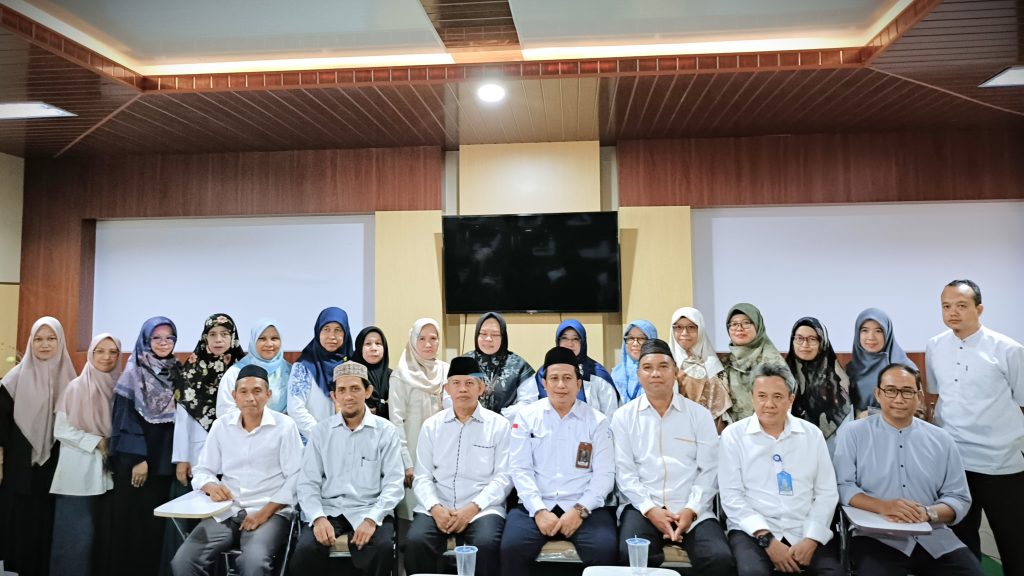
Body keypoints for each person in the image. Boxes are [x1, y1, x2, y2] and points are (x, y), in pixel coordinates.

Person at [833, 363, 981, 576]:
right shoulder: (853, 433)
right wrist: (883, 506)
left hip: (934, 537)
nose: (899, 399)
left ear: (919, 396)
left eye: (907, 391)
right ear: (878, 394)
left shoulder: (942, 439)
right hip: (876, 537)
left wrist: (927, 513)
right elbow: (843, 485)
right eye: (891, 391)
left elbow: (958, 497)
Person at [611, 339, 735, 574]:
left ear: (675, 372)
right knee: (630, 556)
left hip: (692, 508)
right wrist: (650, 509)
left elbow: (709, 470)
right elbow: (625, 473)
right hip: (644, 509)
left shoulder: (699, 415)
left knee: (720, 558)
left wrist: (692, 508)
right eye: (647, 367)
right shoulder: (623, 417)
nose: (655, 373)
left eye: (663, 366)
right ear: (639, 374)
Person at [926, 279, 1024, 574]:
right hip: (955, 464)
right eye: (946, 306)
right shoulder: (934, 346)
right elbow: (936, 398)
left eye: (961, 306)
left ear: (979, 309)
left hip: (1002, 464)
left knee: (1015, 544)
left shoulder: (1008, 349)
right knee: (961, 548)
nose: (952, 312)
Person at [171, 365, 303, 576]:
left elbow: (296, 476)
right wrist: (211, 486)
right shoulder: (221, 426)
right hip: (228, 510)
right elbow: (203, 469)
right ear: (234, 396)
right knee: (184, 561)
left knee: (253, 564)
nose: (250, 398)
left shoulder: (285, 426)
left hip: (270, 512)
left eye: (257, 391)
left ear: (269, 395)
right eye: (244, 392)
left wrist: (264, 513)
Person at [501, 346, 617, 574]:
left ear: (578, 383)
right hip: (535, 505)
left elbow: (605, 476)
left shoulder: (598, 421)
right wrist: (538, 510)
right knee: (510, 548)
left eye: (567, 378)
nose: (561, 385)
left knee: (606, 548)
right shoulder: (526, 417)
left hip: (585, 507)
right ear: (544, 383)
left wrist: (580, 510)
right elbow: (520, 469)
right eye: (554, 378)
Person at [718, 363, 842, 576]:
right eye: (762, 396)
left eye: (777, 396)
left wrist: (811, 539)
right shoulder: (733, 436)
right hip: (753, 532)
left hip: (803, 528)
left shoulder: (812, 435)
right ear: (752, 398)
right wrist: (767, 540)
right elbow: (732, 497)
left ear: (790, 400)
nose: (769, 404)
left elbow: (827, 494)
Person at [291, 362, 404, 576]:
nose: (348, 396)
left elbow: (394, 484)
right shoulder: (321, 432)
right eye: (341, 390)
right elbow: (307, 483)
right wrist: (317, 518)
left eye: (355, 389)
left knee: (381, 549)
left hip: (370, 508)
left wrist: (372, 519)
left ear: (368, 391)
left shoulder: (385, 431)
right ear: (334, 396)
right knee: (305, 550)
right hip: (329, 510)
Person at [405, 356, 512, 576]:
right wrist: (435, 508)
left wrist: (472, 508)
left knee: (486, 544)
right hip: (438, 505)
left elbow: (504, 478)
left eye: (469, 383)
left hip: (482, 509)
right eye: (456, 383)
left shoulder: (499, 426)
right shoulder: (432, 426)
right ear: (447, 389)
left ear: (481, 388)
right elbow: (423, 476)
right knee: (415, 542)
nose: (463, 389)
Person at [0, 317, 77, 576]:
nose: (45, 344)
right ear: (31, 342)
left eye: (51, 338)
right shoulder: (12, 380)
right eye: (39, 339)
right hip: (21, 463)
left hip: (58, 462)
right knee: (23, 520)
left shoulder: (71, 379)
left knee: (51, 519)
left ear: (60, 341)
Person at [107, 316, 184, 576]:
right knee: (133, 527)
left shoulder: (176, 370)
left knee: (154, 529)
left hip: (164, 463)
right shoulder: (133, 372)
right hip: (137, 464)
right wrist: (138, 458)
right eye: (157, 337)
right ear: (145, 340)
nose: (163, 342)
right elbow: (123, 418)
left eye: (169, 337)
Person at [49, 333, 122, 576]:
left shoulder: (119, 387)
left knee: (99, 542)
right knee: (73, 542)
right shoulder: (76, 386)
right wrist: (96, 442)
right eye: (100, 351)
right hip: (77, 476)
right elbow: (61, 429)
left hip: (108, 475)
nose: (106, 357)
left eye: (113, 352)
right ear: (91, 353)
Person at [174, 313, 246, 494]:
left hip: (237, 450)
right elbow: (183, 418)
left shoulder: (243, 368)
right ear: (205, 337)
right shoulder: (192, 367)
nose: (218, 340)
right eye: (212, 334)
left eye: (224, 334)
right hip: (198, 451)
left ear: (233, 337)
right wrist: (182, 458)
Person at [389, 318, 449, 520]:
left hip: (443, 448)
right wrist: (407, 462)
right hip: (413, 451)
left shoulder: (446, 371)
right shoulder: (401, 375)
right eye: (422, 338)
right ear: (413, 340)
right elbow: (396, 421)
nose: (428, 344)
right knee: (417, 511)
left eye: (433, 338)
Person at [785, 317, 851, 452]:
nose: (805, 344)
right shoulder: (781, 379)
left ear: (822, 342)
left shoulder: (839, 382)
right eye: (799, 338)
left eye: (812, 339)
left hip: (830, 452)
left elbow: (845, 429)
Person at [288, 307, 353, 439]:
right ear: (318, 331)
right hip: (313, 443)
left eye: (338, 330)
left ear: (345, 333)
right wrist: (322, 437)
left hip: (347, 443)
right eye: (326, 329)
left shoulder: (352, 367)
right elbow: (295, 409)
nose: (332, 336)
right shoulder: (303, 367)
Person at [534, 320, 618, 419]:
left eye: (575, 339)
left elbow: (610, 414)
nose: (570, 344)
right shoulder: (544, 373)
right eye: (564, 338)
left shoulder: (598, 374)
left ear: (583, 342)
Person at [462, 312, 537, 419]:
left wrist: (501, 417)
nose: (488, 339)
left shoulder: (518, 365)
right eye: (483, 333)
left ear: (503, 337)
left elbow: (529, 402)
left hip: (506, 428)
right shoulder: (464, 362)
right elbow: (451, 397)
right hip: (469, 425)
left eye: (495, 334)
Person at [845, 308, 915, 419]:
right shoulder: (851, 369)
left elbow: (917, 410)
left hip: (897, 430)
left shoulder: (905, 369)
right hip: (859, 432)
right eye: (865, 330)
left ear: (887, 333)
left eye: (878, 331)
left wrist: (871, 414)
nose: (871, 337)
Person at [723, 303, 788, 421]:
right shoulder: (725, 362)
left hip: (765, 428)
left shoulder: (773, 362)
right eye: (734, 324)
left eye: (746, 323)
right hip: (732, 432)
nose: (739, 328)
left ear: (758, 326)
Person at [669, 307, 731, 431]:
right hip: (670, 428)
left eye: (691, 327)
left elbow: (719, 412)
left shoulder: (712, 366)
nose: (684, 333)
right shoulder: (665, 362)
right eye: (678, 327)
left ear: (701, 329)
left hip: (704, 430)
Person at [217, 319, 291, 418]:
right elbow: (224, 412)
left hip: (281, 430)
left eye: (274, 338)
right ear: (253, 340)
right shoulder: (236, 372)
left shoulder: (290, 371)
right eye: (262, 338)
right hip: (243, 431)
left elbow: (295, 409)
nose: (269, 344)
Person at [611, 320, 657, 405]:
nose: (635, 343)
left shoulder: (658, 372)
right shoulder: (616, 373)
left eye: (641, 338)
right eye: (631, 338)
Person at [351, 326, 392, 420]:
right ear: (359, 347)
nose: (374, 348)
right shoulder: (351, 375)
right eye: (368, 344)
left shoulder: (393, 376)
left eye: (378, 343)